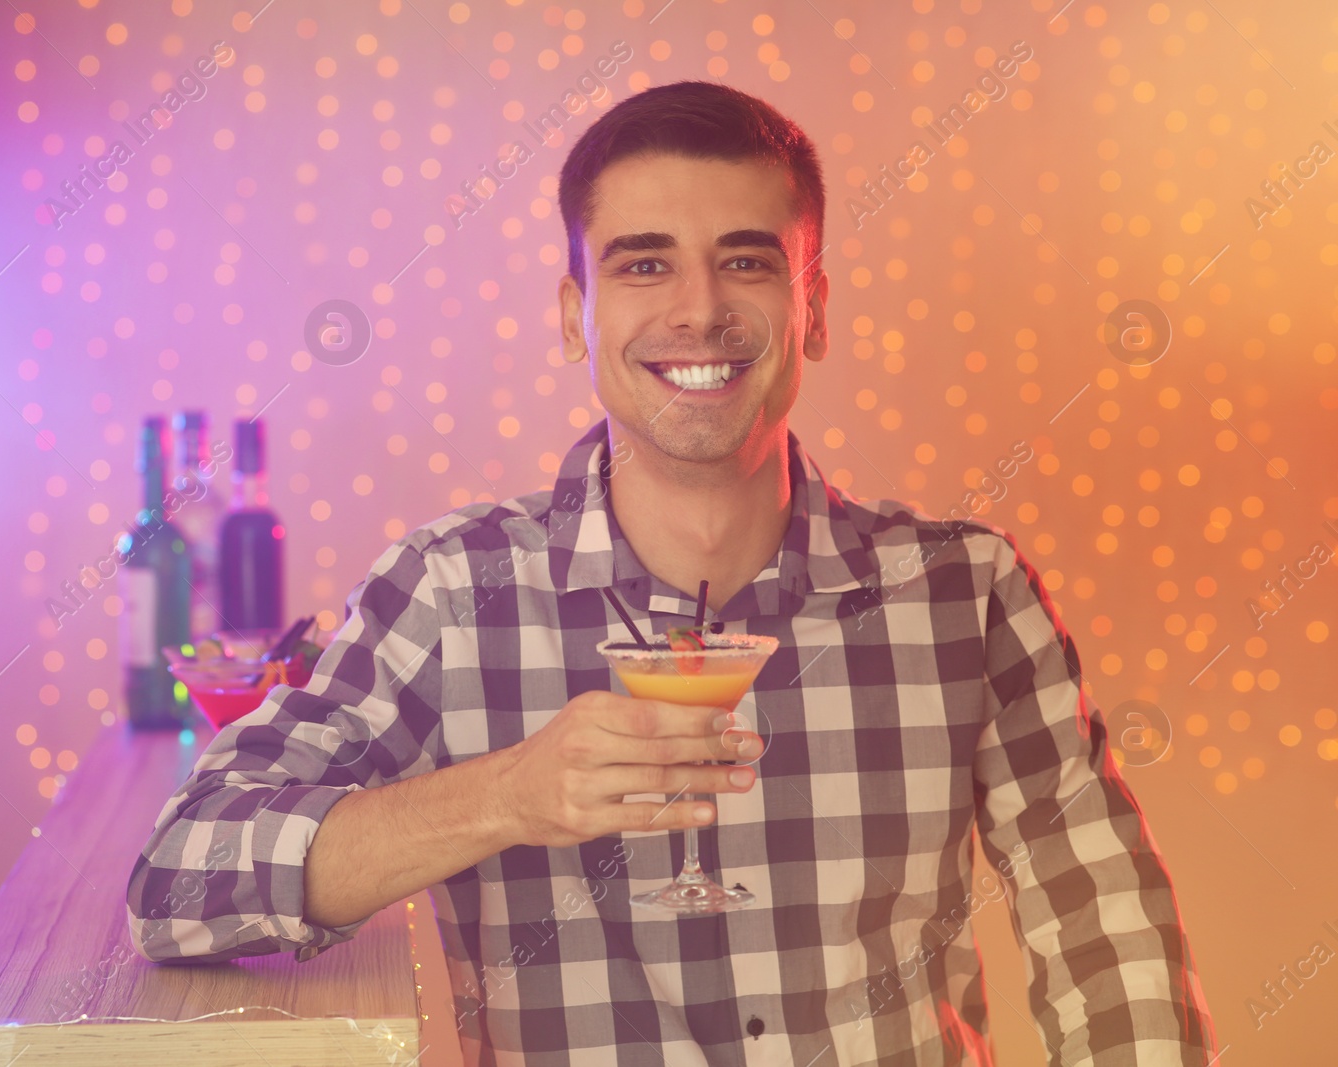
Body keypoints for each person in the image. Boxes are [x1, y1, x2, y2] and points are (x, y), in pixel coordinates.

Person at [127, 80, 1215, 1065]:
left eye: (746, 259)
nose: (699, 308)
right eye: (643, 262)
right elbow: (180, 877)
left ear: (813, 308)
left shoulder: (959, 591)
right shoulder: (453, 592)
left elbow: (1102, 920)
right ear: (574, 318)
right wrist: (506, 794)